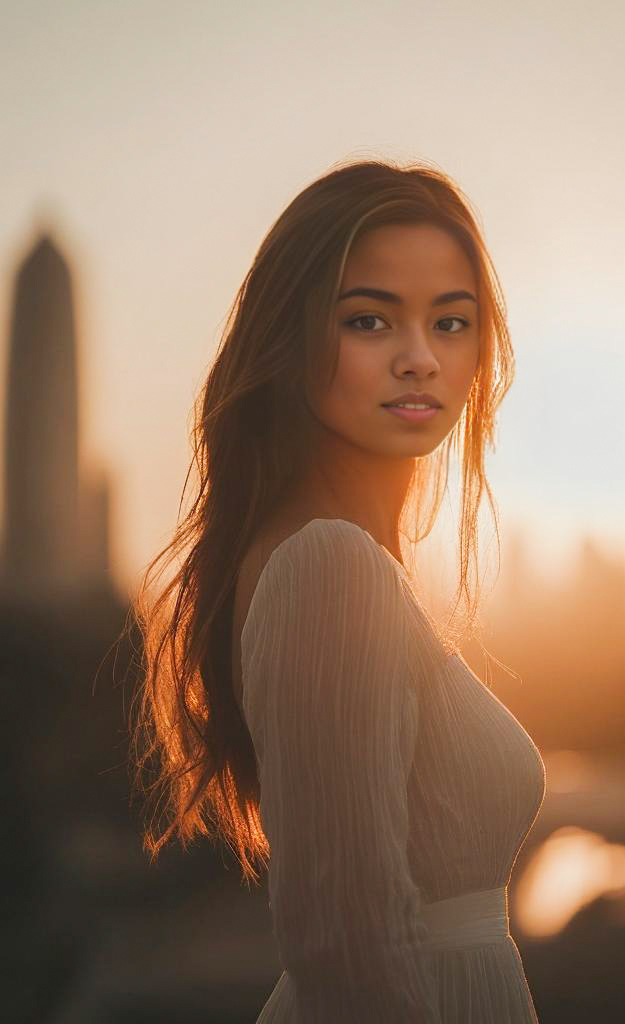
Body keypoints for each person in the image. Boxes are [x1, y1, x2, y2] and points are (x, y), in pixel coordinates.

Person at [128, 157, 547, 1022]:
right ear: (291, 344)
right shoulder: (326, 570)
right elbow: (347, 958)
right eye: (370, 320)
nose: (419, 359)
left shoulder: (348, 566)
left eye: (451, 322)